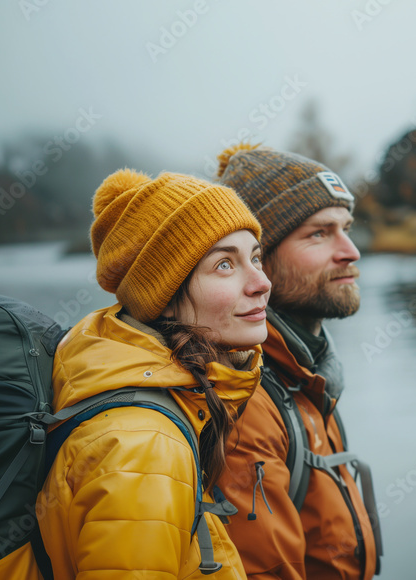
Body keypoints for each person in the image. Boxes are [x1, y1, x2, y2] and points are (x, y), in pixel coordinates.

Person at [37, 169, 271, 579]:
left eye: (254, 257)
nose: (261, 282)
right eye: (224, 265)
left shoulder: (156, 400)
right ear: (161, 297)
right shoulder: (145, 449)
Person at [214, 144, 380, 579]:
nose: (350, 251)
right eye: (319, 233)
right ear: (256, 260)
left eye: (346, 228)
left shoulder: (302, 372)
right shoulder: (244, 403)